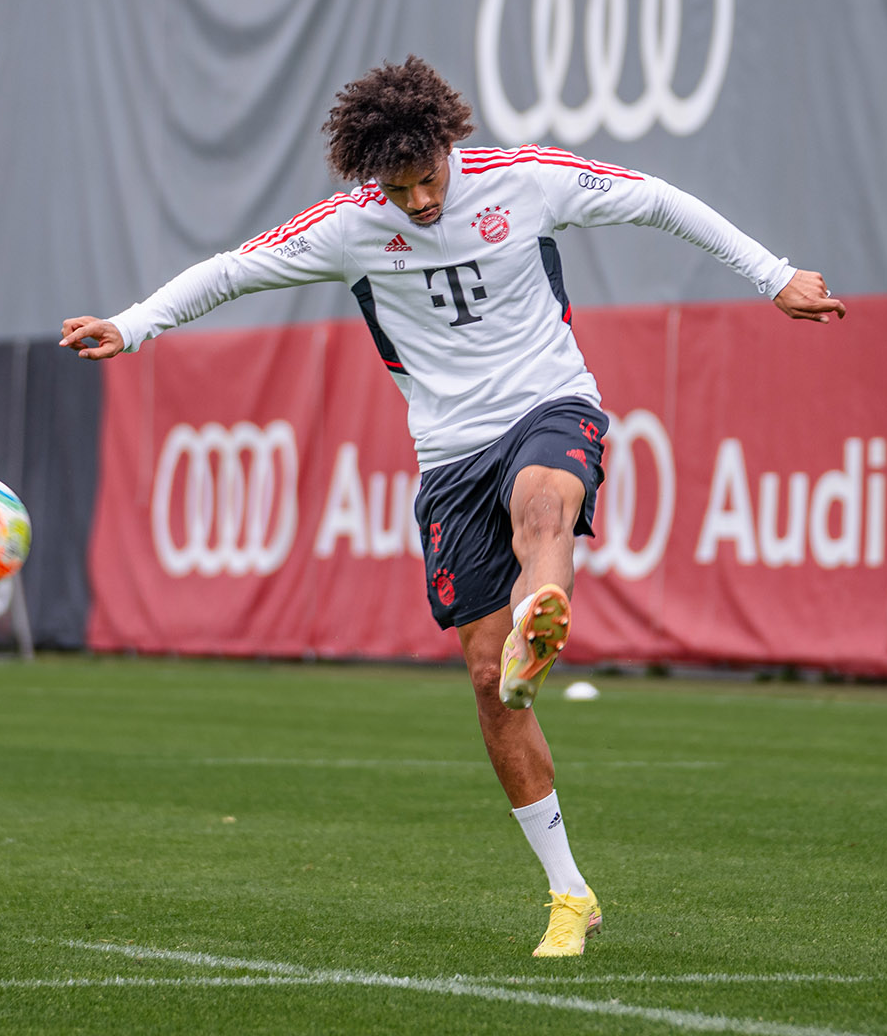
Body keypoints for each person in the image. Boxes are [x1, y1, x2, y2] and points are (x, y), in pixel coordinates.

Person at [61, 56, 843, 957]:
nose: (422, 202)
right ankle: (567, 893)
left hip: (550, 404)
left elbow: (659, 199)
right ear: (372, 179)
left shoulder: (527, 181)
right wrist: (133, 324)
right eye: (399, 189)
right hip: (447, 457)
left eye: (429, 178)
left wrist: (773, 274)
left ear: (449, 146)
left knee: (544, 503)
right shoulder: (349, 229)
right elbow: (234, 271)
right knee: (485, 685)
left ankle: (541, 614)